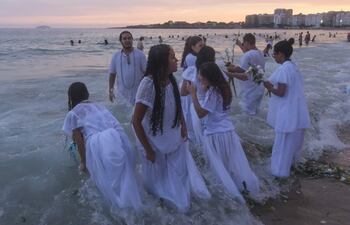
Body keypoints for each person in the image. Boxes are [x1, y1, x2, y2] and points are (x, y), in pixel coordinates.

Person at [132, 44, 211, 212]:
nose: (176, 60)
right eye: (172, 57)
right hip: (152, 139)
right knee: (156, 177)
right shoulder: (148, 84)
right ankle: (158, 205)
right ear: (161, 62)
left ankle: (177, 200)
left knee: (178, 171)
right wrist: (148, 150)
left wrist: (183, 124)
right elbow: (136, 121)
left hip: (171, 132)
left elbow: (176, 104)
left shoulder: (170, 79)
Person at [62, 82, 142, 210]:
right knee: (123, 177)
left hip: (98, 144)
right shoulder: (99, 106)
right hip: (116, 138)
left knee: (106, 185)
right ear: (86, 93)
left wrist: (83, 162)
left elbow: (79, 142)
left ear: (71, 97)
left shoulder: (73, 114)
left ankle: (120, 210)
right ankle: (133, 208)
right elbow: (115, 124)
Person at [187, 62, 260, 200]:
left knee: (220, 169)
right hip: (228, 132)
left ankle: (231, 197)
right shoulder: (223, 88)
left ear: (209, 77)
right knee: (233, 164)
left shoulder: (213, 92)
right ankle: (245, 190)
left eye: (201, 75)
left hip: (216, 135)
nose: (198, 77)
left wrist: (193, 95)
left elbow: (201, 113)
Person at [263, 40, 311, 178]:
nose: (273, 56)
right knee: (292, 143)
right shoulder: (293, 66)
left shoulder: (284, 69)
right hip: (297, 110)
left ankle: (279, 172)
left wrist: (269, 88)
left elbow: (281, 92)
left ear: (281, 54)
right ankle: (291, 167)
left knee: (283, 144)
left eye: (275, 54)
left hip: (287, 112)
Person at [180, 46, 216, 144]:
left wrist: (193, 91)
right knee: (213, 136)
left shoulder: (191, 70)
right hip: (213, 106)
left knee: (200, 138)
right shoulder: (215, 70)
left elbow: (183, 92)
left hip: (197, 106)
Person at [226, 33, 265, 115]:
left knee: (247, 115)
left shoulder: (248, 55)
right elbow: (249, 63)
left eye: (244, 43)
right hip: (259, 89)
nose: (243, 45)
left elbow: (242, 71)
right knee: (255, 113)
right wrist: (240, 45)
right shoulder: (260, 53)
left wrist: (229, 70)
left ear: (247, 42)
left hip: (249, 91)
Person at [108, 31, 147, 105]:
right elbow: (112, 74)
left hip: (139, 94)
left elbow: (147, 73)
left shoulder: (140, 54)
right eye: (124, 38)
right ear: (121, 41)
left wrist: (147, 90)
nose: (127, 40)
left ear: (132, 40)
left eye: (129, 38)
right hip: (121, 95)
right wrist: (110, 91)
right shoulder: (116, 56)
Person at [180, 36, 204, 142]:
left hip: (192, 85)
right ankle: (193, 135)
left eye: (203, 45)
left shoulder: (195, 55)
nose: (203, 47)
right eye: (200, 46)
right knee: (190, 112)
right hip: (190, 86)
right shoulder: (191, 57)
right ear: (193, 47)